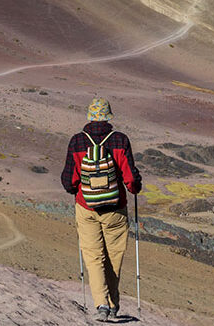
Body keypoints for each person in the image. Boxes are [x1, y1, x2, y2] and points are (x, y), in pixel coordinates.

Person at [61, 97, 142, 322]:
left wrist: (79, 189)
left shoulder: (77, 142)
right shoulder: (120, 140)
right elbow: (131, 179)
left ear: (89, 116)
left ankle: (101, 305)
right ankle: (113, 303)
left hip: (86, 208)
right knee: (114, 256)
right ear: (108, 116)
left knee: (93, 256)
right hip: (116, 209)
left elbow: (68, 181)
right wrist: (136, 186)